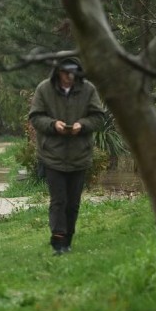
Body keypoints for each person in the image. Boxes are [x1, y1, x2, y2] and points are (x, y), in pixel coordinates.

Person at [28, 55, 106, 256]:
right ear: (58, 72)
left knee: (73, 203)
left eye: (72, 72)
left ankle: (68, 239)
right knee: (58, 201)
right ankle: (58, 242)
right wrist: (53, 125)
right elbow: (35, 117)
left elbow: (98, 117)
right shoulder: (44, 89)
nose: (68, 77)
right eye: (65, 72)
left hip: (80, 154)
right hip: (52, 154)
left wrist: (83, 125)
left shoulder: (88, 89)